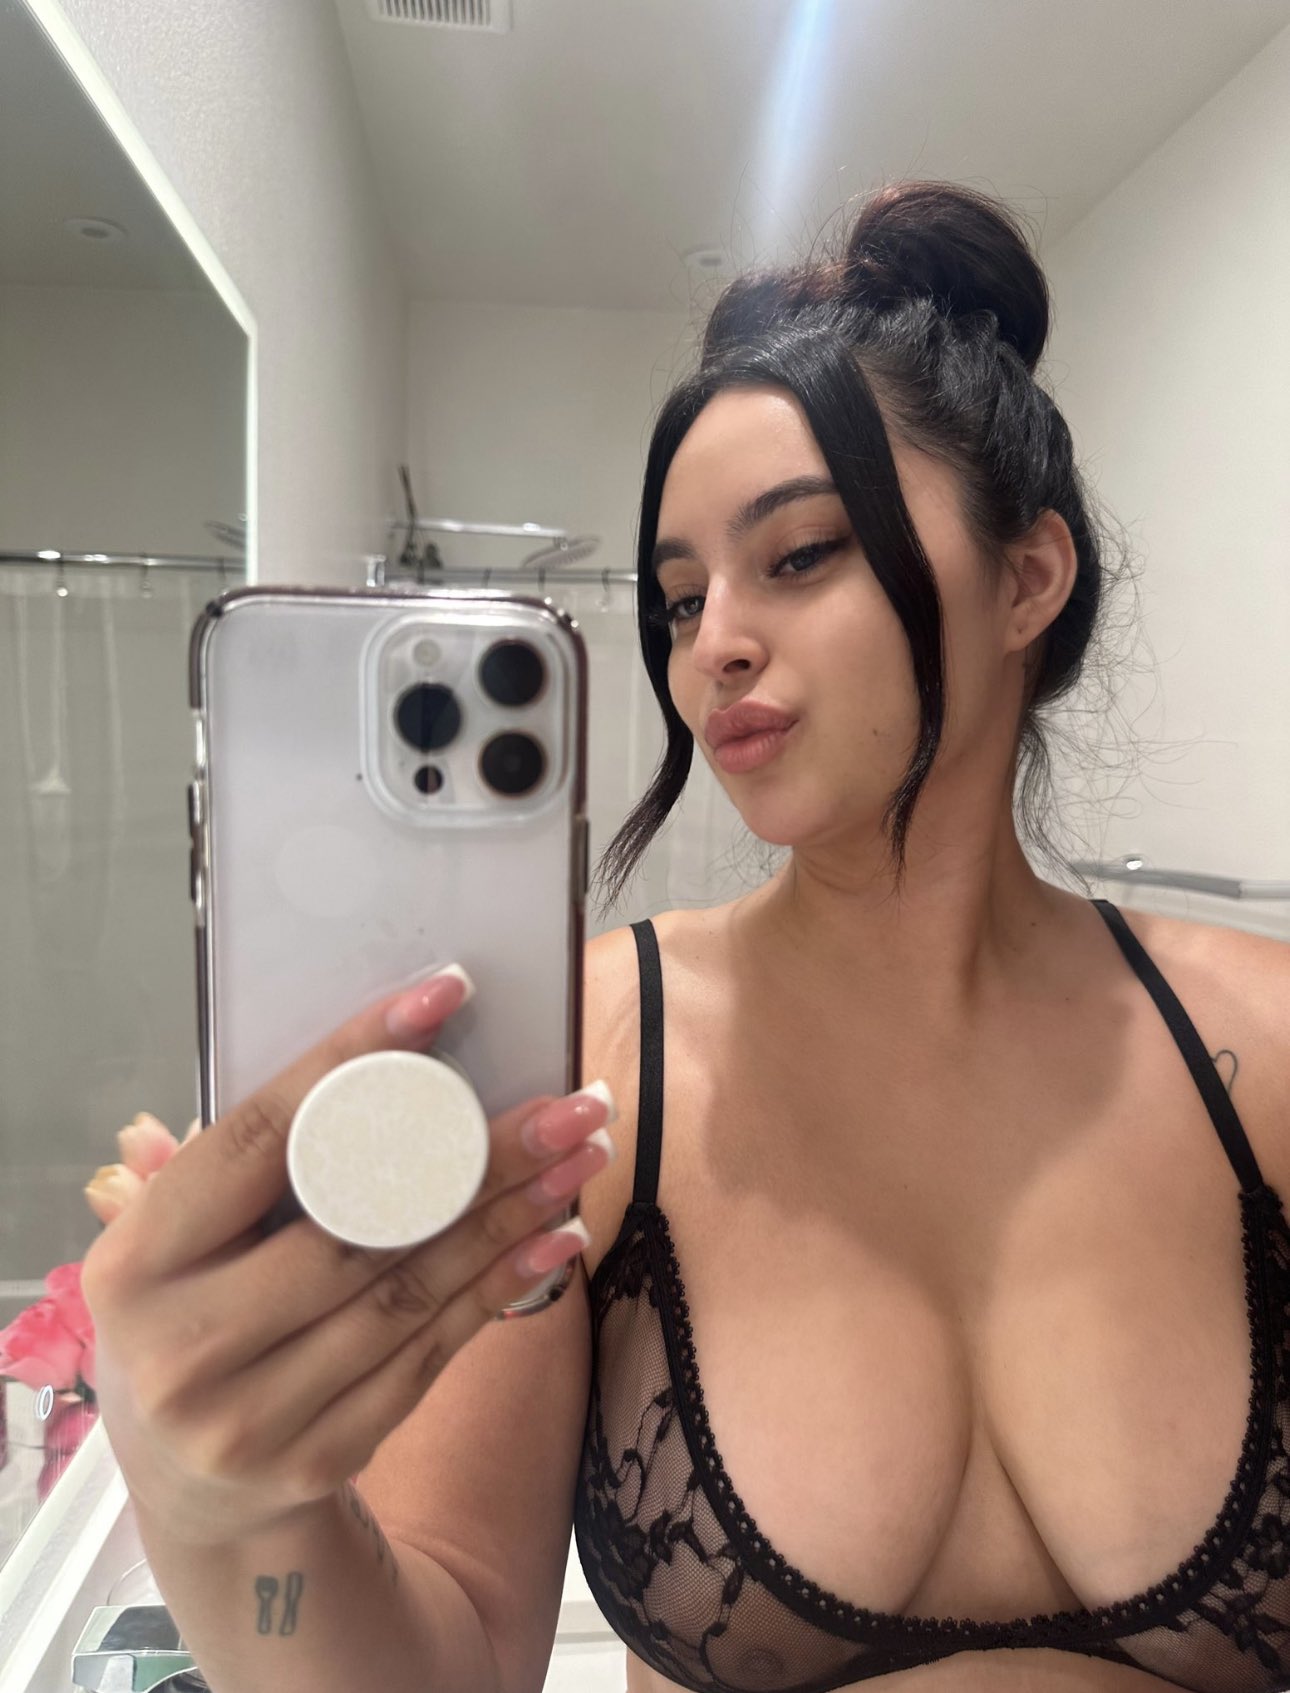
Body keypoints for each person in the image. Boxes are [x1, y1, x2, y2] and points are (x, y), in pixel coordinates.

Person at [83, 180, 1290, 1693]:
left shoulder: (1262, 1049)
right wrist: (225, 1515)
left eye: (800, 554)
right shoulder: (586, 1071)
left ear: (1028, 578)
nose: (710, 641)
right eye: (675, 598)